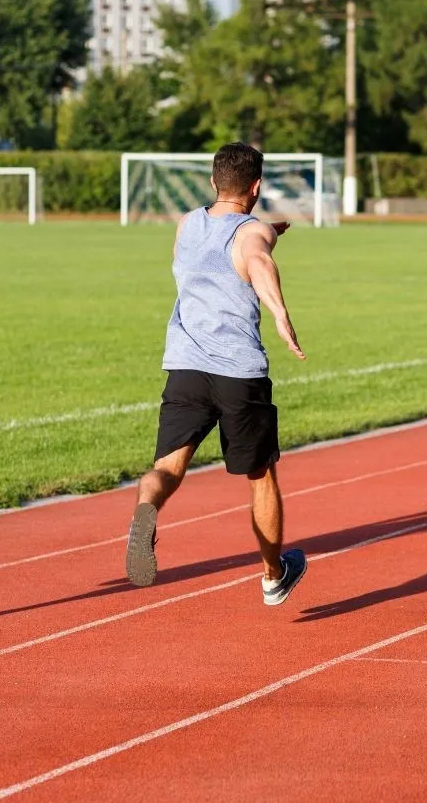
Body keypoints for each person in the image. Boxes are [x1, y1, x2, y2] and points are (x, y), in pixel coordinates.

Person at [126, 142, 307, 606]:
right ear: (257, 185)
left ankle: (147, 508)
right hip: (237, 373)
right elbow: (258, 261)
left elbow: (236, 243)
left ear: (212, 182)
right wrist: (281, 315)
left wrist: (267, 232)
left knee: (167, 466)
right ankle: (273, 575)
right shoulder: (252, 233)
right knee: (260, 476)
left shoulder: (188, 224)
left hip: (185, 366)